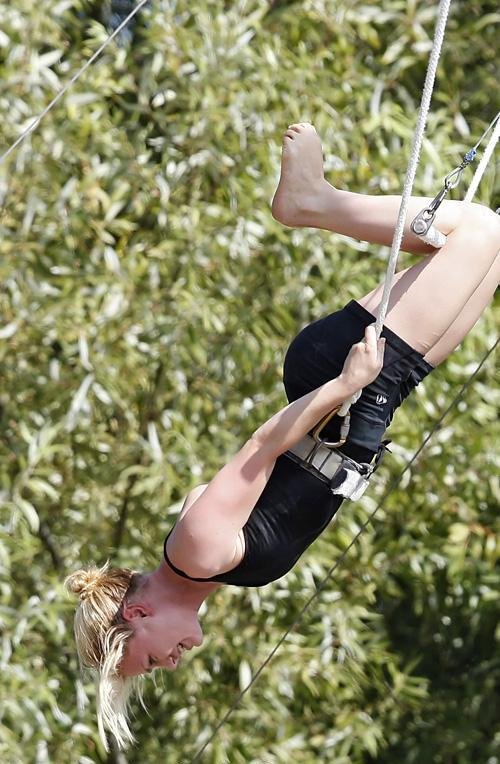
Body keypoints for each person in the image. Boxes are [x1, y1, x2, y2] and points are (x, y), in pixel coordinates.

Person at [65, 123, 500, 750]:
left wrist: (345, 383)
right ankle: (314, 203)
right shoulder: (208, 568)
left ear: (138, 614)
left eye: (152, 659)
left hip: (347, 379)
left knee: (479, 232)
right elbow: (222, 491)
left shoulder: (196, 552)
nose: (173, 663)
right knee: (486, 243)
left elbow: (261, 447)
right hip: (373, 396)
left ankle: (313, 203)